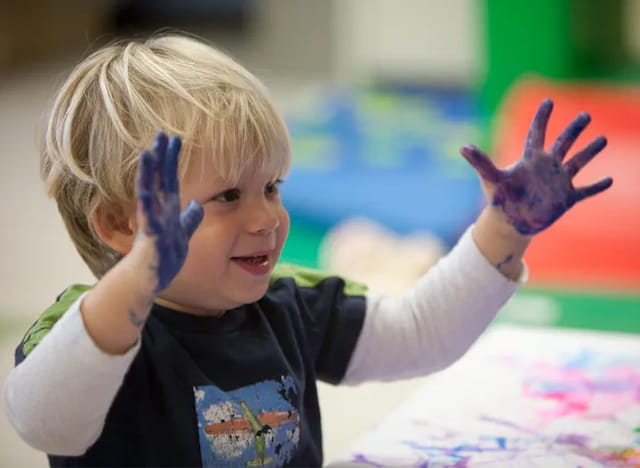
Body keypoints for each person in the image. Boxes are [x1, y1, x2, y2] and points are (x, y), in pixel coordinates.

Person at [3, 33, 612, 467]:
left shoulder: (289, 303)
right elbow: (44, 421)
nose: (266, 217)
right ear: (120, 224)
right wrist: (137, 281)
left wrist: (505, 229)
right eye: (227, 197)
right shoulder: (84, 335)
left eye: (271, 187)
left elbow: (420, 332)